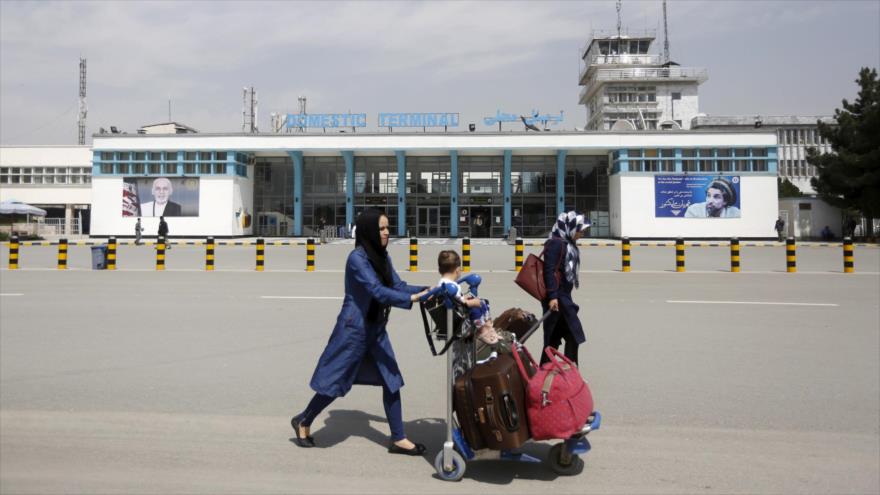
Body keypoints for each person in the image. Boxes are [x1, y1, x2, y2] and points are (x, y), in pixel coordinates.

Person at [291, 209, 429, 455]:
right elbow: (377, 291)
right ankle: (304, 419)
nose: (387, 233)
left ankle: (399, 438)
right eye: (381, 228)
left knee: (391, 380)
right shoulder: (357, 259)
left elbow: (398, 285)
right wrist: (412, 299)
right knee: (336, 381)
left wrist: (428, 290)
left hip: (376, 329)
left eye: (388, 228)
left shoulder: (382, 257)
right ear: (368, 231)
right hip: (354, 330)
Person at [541, 211, 589, 366]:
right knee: (573, 334)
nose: (582, 234)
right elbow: (549, 270)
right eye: (580, 230)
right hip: (557, 298)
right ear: (570, 228)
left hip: (563, 297)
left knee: (554, 338)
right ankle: (568, 369)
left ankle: (550, 369)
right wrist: (553, 296)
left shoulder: (568, 244)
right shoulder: (556, 243)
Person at [436, 250, 500, 345]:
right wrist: (471, 302)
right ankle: (483, 330)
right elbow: (460, 302)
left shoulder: (442, 283)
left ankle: (487, 327)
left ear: (439, 270)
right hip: (460, 316)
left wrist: (464, 298)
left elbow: (456, 298)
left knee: (481, 301)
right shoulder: (451, 286)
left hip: (454, 310)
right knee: (480, 303)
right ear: (457, 270)